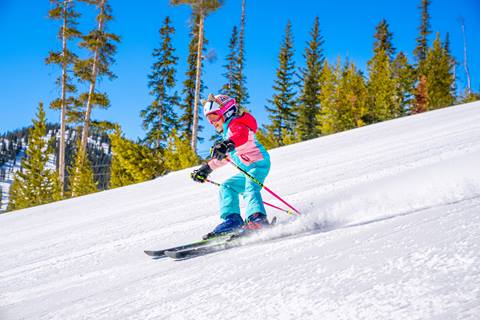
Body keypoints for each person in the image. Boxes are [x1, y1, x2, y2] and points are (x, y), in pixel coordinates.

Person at [191, 93, 271, 239]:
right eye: (209, 119)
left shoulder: (237, 125)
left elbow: (241, 136)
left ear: (226, 111)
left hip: (258, 164)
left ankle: (258, 219)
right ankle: (233, 220)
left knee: (250, 187)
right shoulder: (227, 134)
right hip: (247, 169)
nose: (212, 122)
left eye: (214, 117)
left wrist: (227, 144)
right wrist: (206, 168)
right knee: (227, 187)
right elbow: (225, 157)